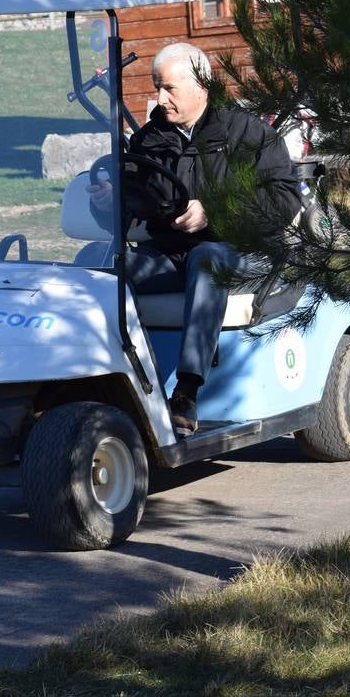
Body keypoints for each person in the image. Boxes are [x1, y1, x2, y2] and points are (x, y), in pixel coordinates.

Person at [89, 42, 300, 437]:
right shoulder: (150, 139)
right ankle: (99, 381)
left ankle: (186, 392)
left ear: (202, 84)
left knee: (208, 258)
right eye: (156, 87)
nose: (158, 98)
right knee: (99, 262)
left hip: (243, 252)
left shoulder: (248, 133)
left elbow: (284, 200)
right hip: (170, 256)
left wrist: (214, 212)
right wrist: (107, 205)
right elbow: (128, 211)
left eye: (168, 88)